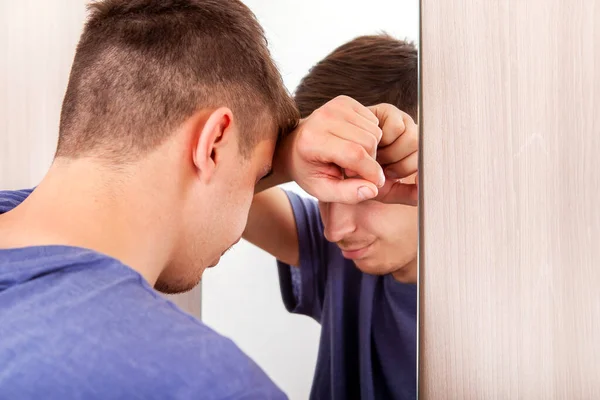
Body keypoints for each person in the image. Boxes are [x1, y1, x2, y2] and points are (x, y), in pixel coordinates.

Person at [0, 2, 401, 398]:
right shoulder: (210, 386)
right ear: (212, 145)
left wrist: (259, 150)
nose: (334, 228)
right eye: (263, 174)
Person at [244, 34, 419, 400]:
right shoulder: (339, 259)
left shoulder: (508, 301)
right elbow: (196, 187)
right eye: (322, 192)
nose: (333, 230)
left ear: (416, 162)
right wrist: (294, 149)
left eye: (359, 188)